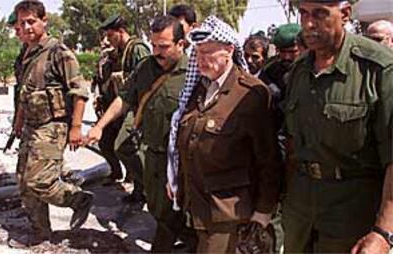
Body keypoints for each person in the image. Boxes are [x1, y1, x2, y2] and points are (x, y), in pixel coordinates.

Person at [283, 0, 393, 253]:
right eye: (304, 14)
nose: (309, 24)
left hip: (353, 217)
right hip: (300, 213)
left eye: (320, 14)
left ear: (345, 14)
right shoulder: (299, 71)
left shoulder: (379, 68)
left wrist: (383, 233)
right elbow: (291, 144)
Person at [166, 16, 283, 253]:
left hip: (229, 212)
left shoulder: (250, 94)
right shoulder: (199, 88)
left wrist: (263, 211)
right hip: (197, 205)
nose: (201, 60)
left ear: (229, 50)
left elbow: (268, 159)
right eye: (198, 53)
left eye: (209, 52)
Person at [87, 15, 194, 252]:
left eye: (164, 47)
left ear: (181, 44)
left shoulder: (195, 73)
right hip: (153, 156)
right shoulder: (146, 67)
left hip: (180, 161)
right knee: (157, 209)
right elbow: (124, 99)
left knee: (176, 216)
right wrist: (99, 127)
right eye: (154, 45)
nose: (157, 52)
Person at [10, 0, 93, 247]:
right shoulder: (24, 53)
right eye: (21, 22)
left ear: (44, 21)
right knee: (24, 183)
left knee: (40, 181)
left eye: (31, 21)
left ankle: (78, 199)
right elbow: (24, 94)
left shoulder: (59, 52)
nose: (26, 27)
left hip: (52, 126)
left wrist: (76, 128)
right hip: (31, 126)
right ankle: (41, 233)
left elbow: (79, 91)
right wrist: (18, 120)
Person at [94, 15, 150, 202]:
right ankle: (119, 174)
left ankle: (144, 187)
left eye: (110, 35)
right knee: (105, 141)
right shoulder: (117, 53)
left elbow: (145, 81)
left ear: (121, 32)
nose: (108, 40)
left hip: (135, 106)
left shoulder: (137, 49)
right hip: (119, 105)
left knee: (124, 145)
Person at [259, 23, 302, 105]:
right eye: (282, 51)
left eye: (292, 52)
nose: (286, 57)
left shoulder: (313, 69)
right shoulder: (270, 71)